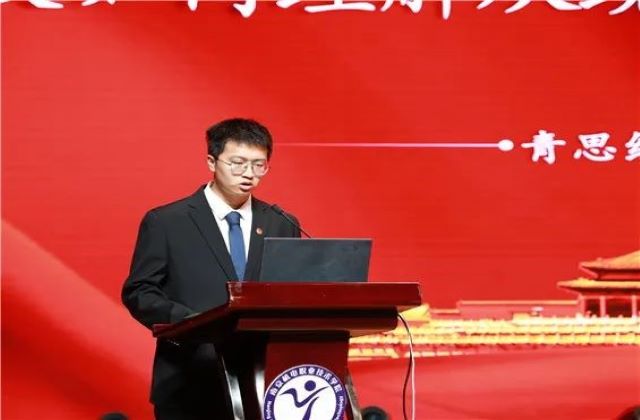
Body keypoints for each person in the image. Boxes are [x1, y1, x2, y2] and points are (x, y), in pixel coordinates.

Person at [122, 118, 301, 419]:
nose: (249, 174)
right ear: (211, 161)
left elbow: (290, 291)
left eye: (259, 165)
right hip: (190, 378)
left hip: (265, 382)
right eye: (238, 163)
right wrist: (192, 322)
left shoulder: (281, 223)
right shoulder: (167, 221)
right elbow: (139, 292)